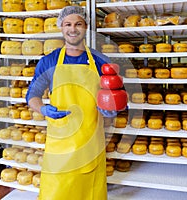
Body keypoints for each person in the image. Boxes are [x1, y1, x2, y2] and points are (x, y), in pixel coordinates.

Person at [26, 6, 119, 200]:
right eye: (68, 24)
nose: (73, 29)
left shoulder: (100, 61)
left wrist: (112, 110)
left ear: (86, 27)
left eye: (78, 24)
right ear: (61, 27)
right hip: (59, 143)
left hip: (91, 141)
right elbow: (32, 94)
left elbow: (117, 94)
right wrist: (42, 108)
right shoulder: (49, 62)